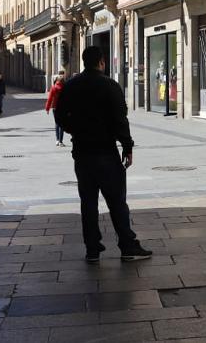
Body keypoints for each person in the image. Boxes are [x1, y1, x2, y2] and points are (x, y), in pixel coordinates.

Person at [54, 46, 152, 263]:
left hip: (82, 153)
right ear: (101, 62)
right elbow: (120, 120)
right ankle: (127, 246)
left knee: (88, 203)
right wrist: (127, 147)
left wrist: (73, 129)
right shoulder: (110, 86)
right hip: (106, 153)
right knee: (117, 202)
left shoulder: (71, 86)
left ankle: (92, 249)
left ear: (83, 62)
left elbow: (59, 114)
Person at [45, 70, 66, 147]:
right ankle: (61, 141)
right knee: (62, 125)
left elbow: (50, 98)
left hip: (55, 107)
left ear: (56, 80)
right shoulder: (65, 88)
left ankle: (57, 140)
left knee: (57, 123)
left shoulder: (53, 88)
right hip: (63, 108)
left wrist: (47, 108)